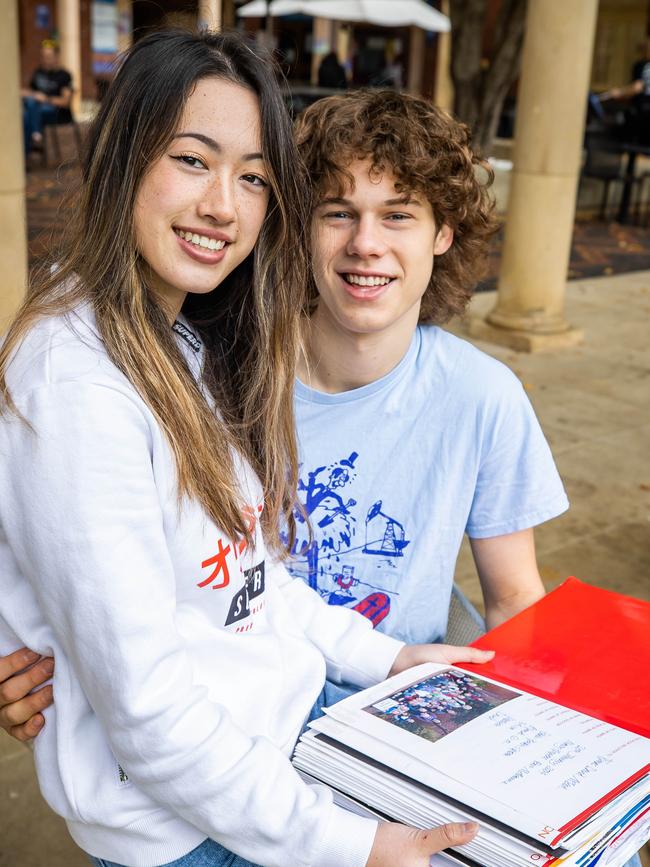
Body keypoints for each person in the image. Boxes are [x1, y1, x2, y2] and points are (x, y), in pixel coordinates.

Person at [0, 29, 489, 867]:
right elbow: (151, 713)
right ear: (123, 156)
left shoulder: (184, 339)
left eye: (253, 177)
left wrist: (390, 656)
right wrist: (352, 845)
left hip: (281, 738)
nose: (224, 205)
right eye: (193, 160)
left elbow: (254, 584)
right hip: (193, 823)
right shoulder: (76, 382)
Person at [22, 40, 73, 156]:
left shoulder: (64, 75)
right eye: (43, 56)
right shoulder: (38, 72)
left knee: (28, 113)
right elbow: (32, 91)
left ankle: (27, 150)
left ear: (56, 57)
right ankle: (35, 136)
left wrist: (45, 99)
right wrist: (24, 93)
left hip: (57, 113)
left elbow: (66, 102)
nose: (45, 60)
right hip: (36, 110)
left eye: (48, 56)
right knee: (25, 113)